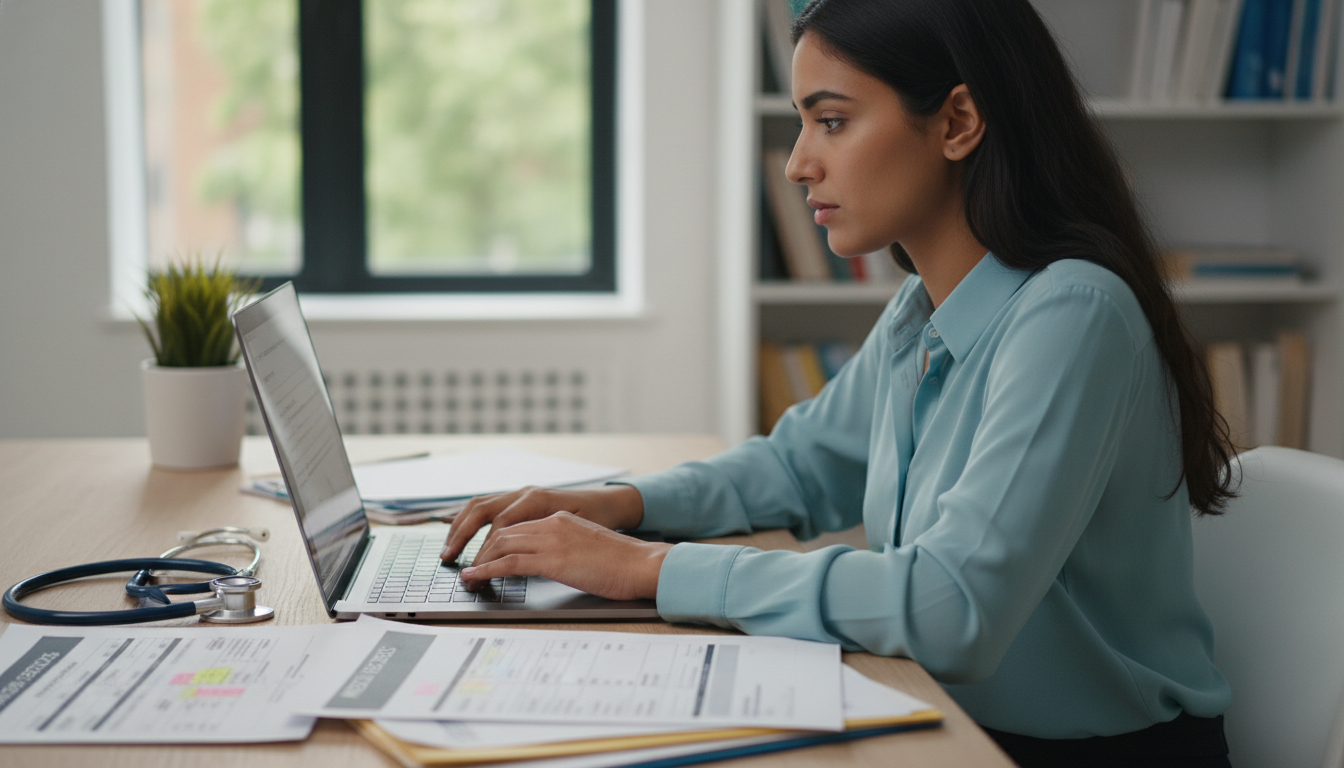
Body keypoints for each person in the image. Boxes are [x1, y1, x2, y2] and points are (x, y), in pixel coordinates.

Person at [440, 1, 1237, 764]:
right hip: (956, 723)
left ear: (958, 122)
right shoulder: (926, 306)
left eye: (832, 121)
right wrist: (623, 504)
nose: (797, 163)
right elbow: (802, 466)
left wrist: (647, 569)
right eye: (801, 122)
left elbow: (953, 607)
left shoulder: (1074, 314)